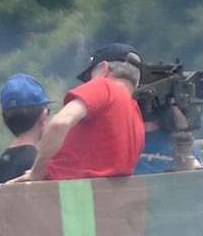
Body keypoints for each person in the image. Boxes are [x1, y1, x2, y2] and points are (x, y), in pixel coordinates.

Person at [29, 43, 147, 183]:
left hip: (71, 196)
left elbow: (59, 123)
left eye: (90, 77)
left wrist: (35, 173)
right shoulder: (136, 115)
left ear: (104, 68)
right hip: (106, 201)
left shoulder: (103, 85)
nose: (89, 83)